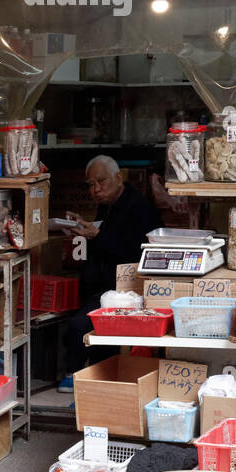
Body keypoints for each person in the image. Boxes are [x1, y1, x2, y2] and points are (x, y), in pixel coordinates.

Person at [59, 155, 163, 389]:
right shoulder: (107, 207)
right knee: (88, 332)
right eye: (91, 185)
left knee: (78, 327)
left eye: (101, 182)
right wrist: (84, 229)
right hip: (100, 286)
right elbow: (104, 240)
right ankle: (92, 377)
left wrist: (97, 236)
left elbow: (137, 251)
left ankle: (74, 373)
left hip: (124, 290)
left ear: (118, 178)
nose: (95, 189)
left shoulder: (139, 207)